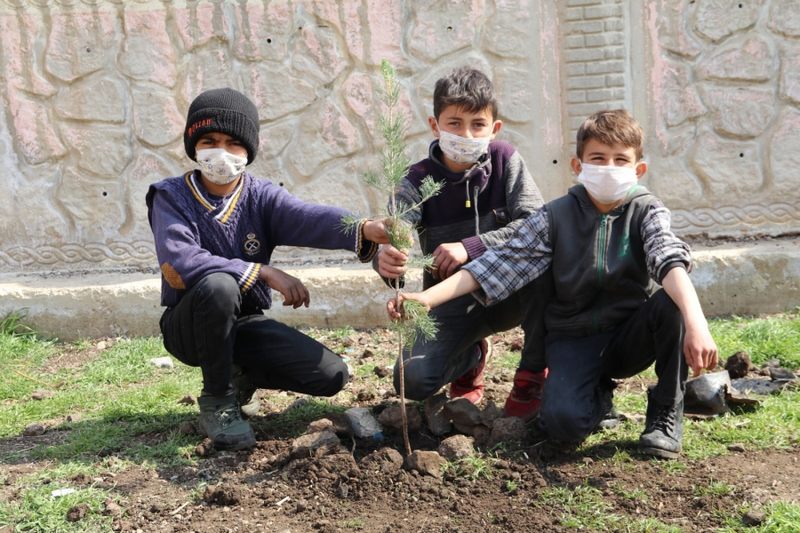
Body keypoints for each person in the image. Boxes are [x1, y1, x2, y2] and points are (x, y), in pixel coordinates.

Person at [388, 109, 718, 459]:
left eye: (620, 160)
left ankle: (665, 414)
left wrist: (697, 323)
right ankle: (595, 394)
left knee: (674, 303)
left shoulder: (647, 211)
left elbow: (668, 259)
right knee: (563, 425)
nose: (609, 168)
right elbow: (497, 264)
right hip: (573, 337)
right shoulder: (555, 216)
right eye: (598, 158)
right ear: (577, 166)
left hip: (627, 335)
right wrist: (426, 299)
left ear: (638, 170)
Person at [146, 88, 388, 450]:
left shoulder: (260, 197)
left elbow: (307, 217)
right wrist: (262, 272)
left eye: (233, 143)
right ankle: (219, 399)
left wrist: (363, 228)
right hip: (189, 325)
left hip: (244, 323)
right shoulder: (170, 196)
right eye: (209, 141)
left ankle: (238, 374)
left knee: (331, 375)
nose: (221, 152)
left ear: (249, 149)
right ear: (193, 146)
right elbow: (181, 261)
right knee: (219, 286)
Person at [375, 67, 552, 419]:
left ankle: (531, 375)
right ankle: (471, 357)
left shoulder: (505, 161)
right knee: (410, 380)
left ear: (494, 129)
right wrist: (388, 252)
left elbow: (536, 226)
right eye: (454, 123)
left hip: (511, 295)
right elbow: (396, 227)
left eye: (477, 124)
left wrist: (470, 246)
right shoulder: (417, 179)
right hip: (450, 300)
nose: (466, 133)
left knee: (548, 266)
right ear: (434, 124)